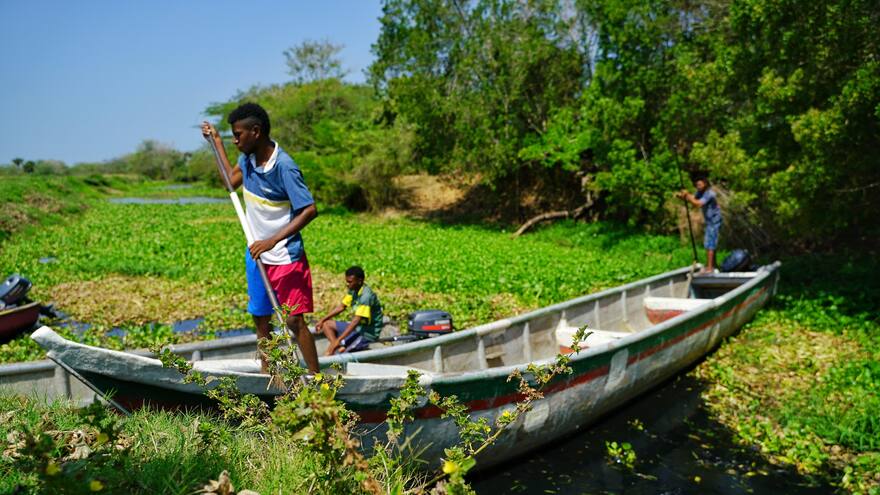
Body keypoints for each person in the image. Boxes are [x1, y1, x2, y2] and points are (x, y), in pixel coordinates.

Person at [201, 102, 320, 374]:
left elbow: (309, 209)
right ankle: (267, 375)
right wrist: (216, 141)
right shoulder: (247, 160)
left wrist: (272, 241)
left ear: (256, 131)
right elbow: (230, 183)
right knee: (261, 319)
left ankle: (317, 380)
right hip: (256, 255)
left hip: (286, 255)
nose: (235, 140)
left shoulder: (284, 167)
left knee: (293, 320)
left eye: (237, 135)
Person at [316, 266, 384, 356]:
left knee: (337, 353)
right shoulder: (353, 290)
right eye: (347, 281)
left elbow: (356, 321)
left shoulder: (366, 296)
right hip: (358, 328)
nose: (347, 284)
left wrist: (339, 340)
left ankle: (336, 349)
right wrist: (322, 319)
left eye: (350, 282)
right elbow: (341, 307)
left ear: (359, 281)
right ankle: (338, 346)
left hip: (367, 333)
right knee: (326, 324)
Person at [677, 175, 723, 272]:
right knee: (710, 242)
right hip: (709, 221)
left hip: (714, 220)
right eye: (697, 185)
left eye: (700, 185)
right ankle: (713, 265)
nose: (698, 186)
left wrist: (688, 195)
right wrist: (683, 196)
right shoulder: (700, 192)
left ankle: (710, 268)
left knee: (709, 243)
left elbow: (698, 203)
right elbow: (693, 198)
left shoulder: (710, 194)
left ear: (705, 184)